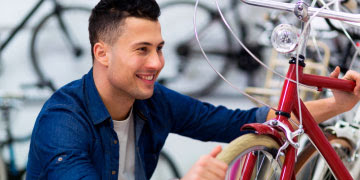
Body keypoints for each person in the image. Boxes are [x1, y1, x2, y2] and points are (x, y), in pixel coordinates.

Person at [26, 0, 360, 179]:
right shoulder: (63, 120)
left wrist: (336, 104)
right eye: (142, 50)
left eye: (159, 48)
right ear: (102, 53)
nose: (157, 63)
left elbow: (245, 121)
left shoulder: (152, 100)